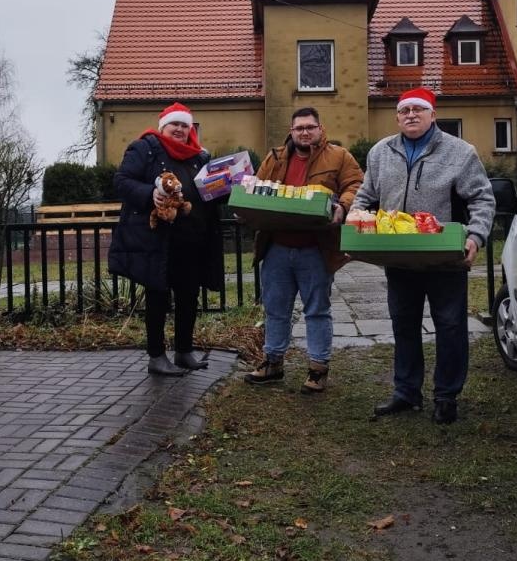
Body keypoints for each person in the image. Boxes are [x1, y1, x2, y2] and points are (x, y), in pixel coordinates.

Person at [350, 88, 495, 424]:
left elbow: (482, 200)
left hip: (444, 258)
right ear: (397, 116)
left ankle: (446, 396)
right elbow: (364, 197)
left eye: (418, 109)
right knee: (403, 324)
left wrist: (475, 236)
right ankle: (406, 392)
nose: (410, 115)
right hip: (399, 258)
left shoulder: (460, 152)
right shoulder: (380, 152)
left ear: (433, 114)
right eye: (404, 111)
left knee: (450, 325)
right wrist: (356, 223)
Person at [245, 106, 363, 394]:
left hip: (316, 248)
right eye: (299, 128)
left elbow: (357, 184)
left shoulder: (339, 156)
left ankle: (318, 368)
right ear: (291, 130)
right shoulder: (274, 157)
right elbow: (257, 188)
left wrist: (343, 206)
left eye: (310, 127)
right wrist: (245, 205)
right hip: (277, 248)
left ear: (320, 129)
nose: (305, 132)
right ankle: (273, 362)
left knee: (317, 310)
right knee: (275, 309)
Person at [108, 102, 223, 375]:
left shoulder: (200, 157)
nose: (181, 130)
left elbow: (210, 192)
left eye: (185, 125)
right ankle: (156, 357)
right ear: (164, 127)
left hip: (193, 241)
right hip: (158, 241)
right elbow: (121, 181)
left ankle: (184, 351)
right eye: (175, 125)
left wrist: (231, 187)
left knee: (188, 298)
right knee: (158, 299)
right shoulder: (145, 148)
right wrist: (151, 194)